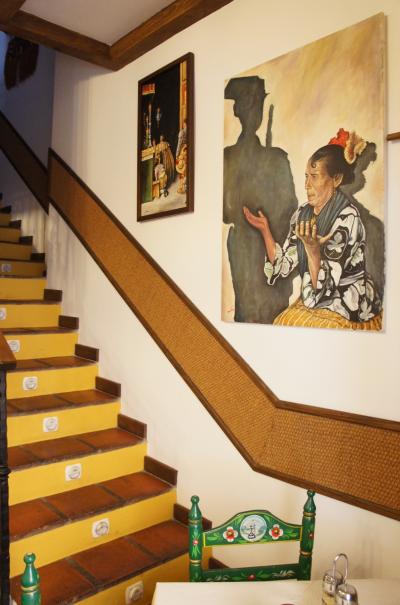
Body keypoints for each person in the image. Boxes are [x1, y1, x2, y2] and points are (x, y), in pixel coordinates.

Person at [243, 130, 382, 330]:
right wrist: (265, 230)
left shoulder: (347, 218)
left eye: (315, 177)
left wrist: (313, 252)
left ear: (336, 179)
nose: (307, 185)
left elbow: (326, 288)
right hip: (316, 295)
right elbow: (283, 266)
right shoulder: (303, 214)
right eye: (306, 176)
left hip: (348, 302)